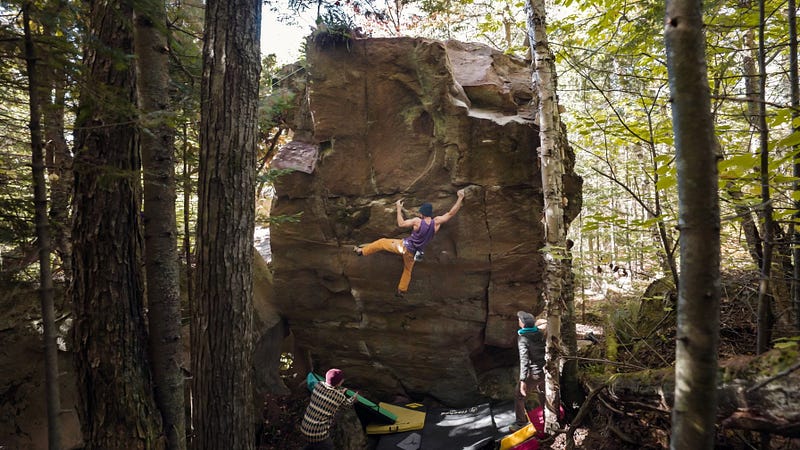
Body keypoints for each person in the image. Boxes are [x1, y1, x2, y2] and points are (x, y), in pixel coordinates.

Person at [354, 189, 466, 297]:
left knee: (382, 242)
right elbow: (451, 213)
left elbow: (401, 224)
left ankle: (361, 251)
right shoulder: (436, 223)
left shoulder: (417, 222)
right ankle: (401, 290)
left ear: (422, 213)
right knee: (407, 270)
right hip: (414, 253)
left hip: (403, 247)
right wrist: (460, 198)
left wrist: (398, 208)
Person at [300, 368, 359, 450]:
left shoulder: (318, 385)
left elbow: (330, 394)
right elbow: (348, 405)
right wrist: (354, 398)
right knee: (328, 447)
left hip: (304, 428)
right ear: (340, 383)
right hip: (318, 434)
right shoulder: (339, 397)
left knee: (313, 445)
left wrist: (338, 392)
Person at [511, 311, 546, 432]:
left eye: (519, 320)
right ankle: (548, 419)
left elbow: (524, 361)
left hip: (535, 373)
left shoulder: (523, 338)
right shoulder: (540, 333)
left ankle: (520, 423)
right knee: (543, 393)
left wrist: (522, 381)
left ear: (523, 323)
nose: (518, 321)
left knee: (519, 395)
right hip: (546, 370)